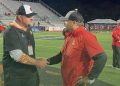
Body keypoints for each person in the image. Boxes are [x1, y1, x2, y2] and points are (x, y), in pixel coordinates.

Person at [47, 9, 107, 86]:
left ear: (74, 22)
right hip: (68, 80)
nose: (64, 23)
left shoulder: (86, 36)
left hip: (78, 82)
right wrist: (47, 61)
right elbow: (62, 55)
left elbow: (102, 57)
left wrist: (90, 78)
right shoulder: (70, 36)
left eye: (66, 21)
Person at [3, 4, 48, 86]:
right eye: (28, 16)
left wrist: (36, 59)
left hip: (30, 74)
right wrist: (36, 62)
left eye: (32, 15)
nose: (32, 18)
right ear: (20, 17)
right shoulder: (11, 31)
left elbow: (27, 50)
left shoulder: (28, 28)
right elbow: (17, 55)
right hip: (16, 77)